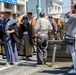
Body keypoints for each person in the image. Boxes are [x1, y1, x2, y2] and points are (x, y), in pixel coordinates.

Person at [65, 4, 76, 74]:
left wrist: (66, 15)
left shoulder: (73, 16)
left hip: (72, 36)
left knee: (73, 53)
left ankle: (75, 68)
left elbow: (66, 23)